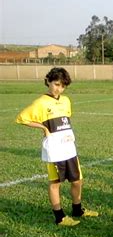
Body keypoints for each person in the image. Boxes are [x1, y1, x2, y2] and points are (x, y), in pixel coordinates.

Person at [15, 67, 98, 226]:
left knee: (77, 181)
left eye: (62, 86)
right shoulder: (40, 103)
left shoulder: (66, 100)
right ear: (48, 81)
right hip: (54, 150)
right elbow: (21, 118)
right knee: (55, 183)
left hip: (69, 147)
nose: (59, 88)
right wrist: (44, 128)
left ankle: (77, 210)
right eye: (56, 84)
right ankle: (59, 217)